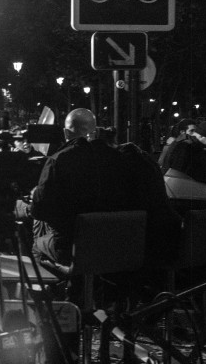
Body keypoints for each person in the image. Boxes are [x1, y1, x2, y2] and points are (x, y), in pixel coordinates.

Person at [15, 108, 130, 276]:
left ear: (66, 133)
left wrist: (36, 196)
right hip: (114, 242)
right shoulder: (119, 158)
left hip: (70, 246)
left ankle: (41, 286)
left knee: (36, 236)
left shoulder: (59, 160)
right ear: (95, 130)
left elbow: (39, 210)